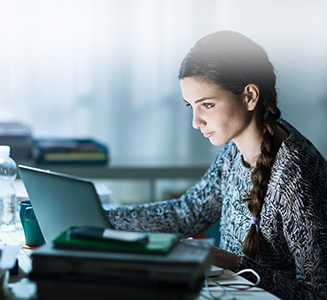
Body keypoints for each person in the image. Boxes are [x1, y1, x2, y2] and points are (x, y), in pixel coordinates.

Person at [106, 31, 327, 300]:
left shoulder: (296, 177)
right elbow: (186, 214)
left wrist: (235, 264)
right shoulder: (235, 150)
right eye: (191, 107)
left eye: (207, 105)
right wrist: (102, 218)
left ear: (249, 96)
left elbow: (317, 294)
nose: (196, 122)